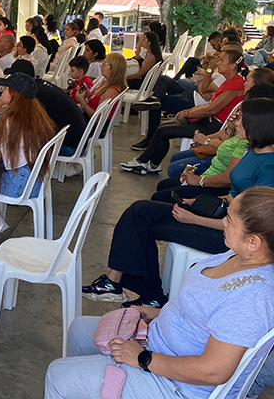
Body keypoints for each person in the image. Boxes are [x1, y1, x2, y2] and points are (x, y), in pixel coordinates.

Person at [48, 186, 274, 399]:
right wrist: (157, 313)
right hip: (158, 339)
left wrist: (142, 358)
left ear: (253, 242)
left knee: (58, 376)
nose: (223, 221)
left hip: (177, 384)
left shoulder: (254, 296)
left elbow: (212, 371)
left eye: (230, 219)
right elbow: (201, 310)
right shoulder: (235, 254)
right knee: (78, 330)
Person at [83, 97, 274, 309]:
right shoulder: (252, 151)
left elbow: (247, 229)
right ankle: (130, 287)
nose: (236, 122)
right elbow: (233, 196)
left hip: (228, 237)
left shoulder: (269, 169)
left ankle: (143, 292)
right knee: (141, 211)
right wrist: (198, 201)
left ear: (258, 124)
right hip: (222, 214)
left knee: (145, 224)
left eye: (242, 119)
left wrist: (194, 219)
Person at [120, 49, 246, 176]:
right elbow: (207, 100)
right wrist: (190, 110)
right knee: (163, 127)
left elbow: (212, 109)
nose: (218, 63)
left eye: (222, 60)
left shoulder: (236, 84)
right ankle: (150, 164)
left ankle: (145, 162)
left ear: (232, 65)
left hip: (212, 126)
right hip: (208, 120)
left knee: (164, 131)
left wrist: (187, 114)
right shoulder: (228, 81)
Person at [164, 68, 274, 178]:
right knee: (174, 158)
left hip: (221, 155)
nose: (244, 83)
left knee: (174, 168)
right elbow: (228, 140)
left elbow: (211, 109)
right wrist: (216, 135)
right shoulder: (245, 104)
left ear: (257, 85)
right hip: (221, 149)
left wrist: (207, 141)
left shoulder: (253, 116)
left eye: (248, 80)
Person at [0, 73, 57, 198]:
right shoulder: (36, 114)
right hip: (34, 181)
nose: (2, 90)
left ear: (13, 94)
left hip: (19, 185)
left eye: (5, 88)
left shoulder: (13, 120)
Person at [74, 52, 127, 122]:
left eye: (105, 64)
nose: (101, 66)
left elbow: (97, 118)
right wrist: (88, 94)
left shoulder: (112, 91)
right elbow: (98, 101)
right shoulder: (108, 83)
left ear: (113, 69)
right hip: (87, 118)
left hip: (90, 124)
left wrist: (82, 102)